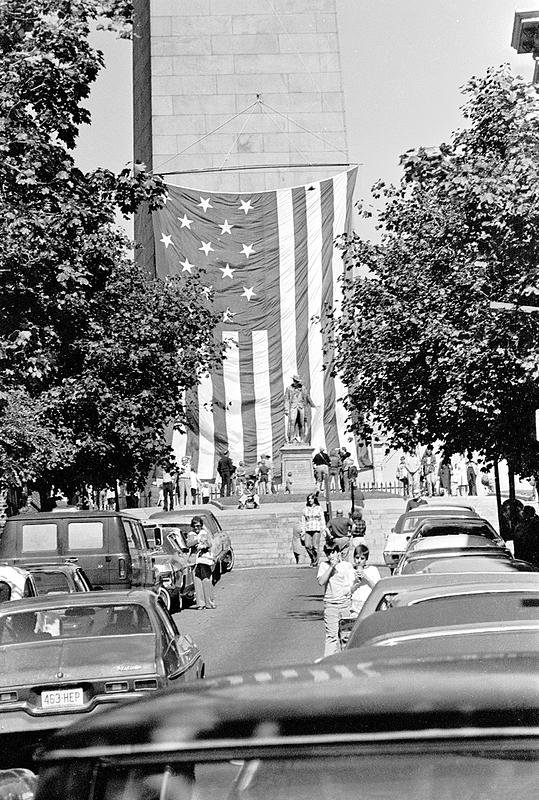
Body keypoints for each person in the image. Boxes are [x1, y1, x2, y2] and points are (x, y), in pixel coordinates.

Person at [316, 544, 355, 656]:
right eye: (328, 553)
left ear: (338, 553)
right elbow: (321, 582)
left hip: (345, 604)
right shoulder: (324, 566)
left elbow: (350, 585)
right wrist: (331, 567)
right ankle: (328, 662)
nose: (330, 555)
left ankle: (347, 659)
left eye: (333, 552)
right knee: (331, 636)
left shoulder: (346, 566)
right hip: (330, 605)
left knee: (346, 636)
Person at [191, 516, 216, 610]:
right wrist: (197, 540)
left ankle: (209, 603)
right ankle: (200, 604)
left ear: (201, 526)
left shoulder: (205, 533)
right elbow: (189, 543)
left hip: (204, 559)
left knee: (207, 581)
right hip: (195, 560)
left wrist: (204, 545)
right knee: (197, 582)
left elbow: (210, 543)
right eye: (194, 526)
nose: (196, 528)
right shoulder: (191, 534)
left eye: (198, 526)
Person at [350, 544, 381, 617]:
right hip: (355, 603)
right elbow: (349, 591)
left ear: (366, 559)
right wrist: (356, 583)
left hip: (368, 602)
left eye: (362, 558)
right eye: (357, 558)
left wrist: (367, 578)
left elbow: (377, 588)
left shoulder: (373, 570)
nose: (359, 561)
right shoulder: (350, 571)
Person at [284, 374, 315, 443]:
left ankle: (302, 439)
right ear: (293, 381)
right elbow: (286, 399)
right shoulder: (289, 388)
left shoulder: (302, 388)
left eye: (298, 381)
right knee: (292, 422)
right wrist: (286, 409)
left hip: (301, 406)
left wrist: (313, 404)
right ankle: (291, 438)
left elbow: (307, 396)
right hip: (293, 406)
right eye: (296, 381)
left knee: (302, 423)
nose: (297, 382)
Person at [300, 493, 324, 567]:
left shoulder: (319, 508)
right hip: (308, 529)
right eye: (309, 499)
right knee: (307, 545)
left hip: (316, 528)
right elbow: (303, 521)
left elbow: (322, 519)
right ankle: (313, 558)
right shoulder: (305, 509)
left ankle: (316, 561)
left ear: (314, 499)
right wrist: (302, 531)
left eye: (311, 498)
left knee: (315, 546)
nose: (310, 500)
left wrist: (323, 528)